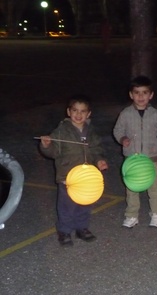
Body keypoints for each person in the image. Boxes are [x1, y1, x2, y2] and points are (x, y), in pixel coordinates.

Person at [39, 94, 108, 247]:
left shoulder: (91, 132)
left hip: (87, 178)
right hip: (68, 177)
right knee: (67, 206)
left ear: (88, 114)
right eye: (75, 110)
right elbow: (53, 152)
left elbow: (97, 149)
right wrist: (46, 145)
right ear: (68, 112)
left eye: (83, 111)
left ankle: (81, 228)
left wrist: (99, 160)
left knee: (85, 203)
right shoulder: (61, 131)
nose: (78, 114)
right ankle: (64, 230)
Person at [113, 75, 157, 228]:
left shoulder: (156, 115)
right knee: (132, 188)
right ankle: (132, 215)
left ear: (151, 95)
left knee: (155, 188)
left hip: (151, 159)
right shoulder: (125, 113)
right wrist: (122, 138)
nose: (140, 96)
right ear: (131, 95)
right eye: (137, 93)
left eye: (145, 93)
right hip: (133, 159)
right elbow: (117, 130)